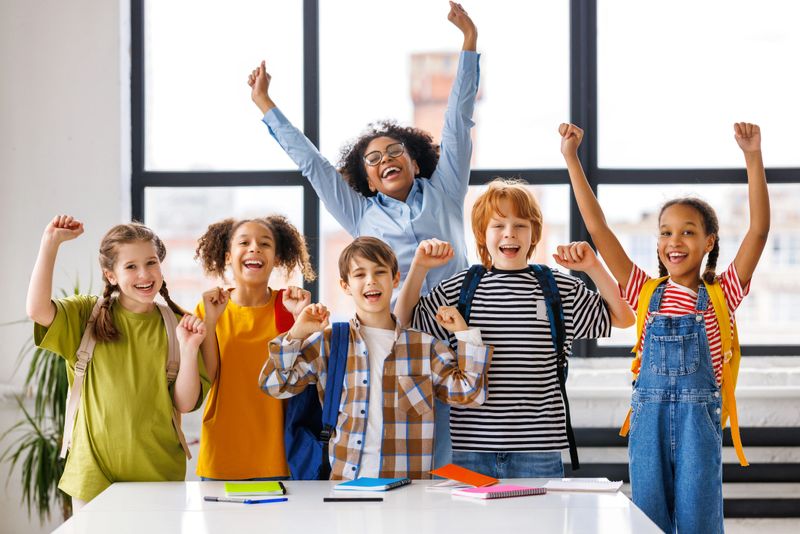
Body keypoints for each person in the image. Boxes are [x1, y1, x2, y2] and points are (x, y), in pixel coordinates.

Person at [248, 1, 480, 468]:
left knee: (464, 428)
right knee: (398, 435)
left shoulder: (446, 192)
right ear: (366, 179)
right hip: (394, 329)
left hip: (456, 322)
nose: (384, 160)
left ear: (416, 160)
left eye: (394, 151)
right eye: (372, 160)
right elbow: (312, 164)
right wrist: (266, 105)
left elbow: (457, 122)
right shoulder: (360, 213)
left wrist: (469, 44)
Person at [559, 121, 770, 533]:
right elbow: (598, 229)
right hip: (647, 426)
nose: (676, 241)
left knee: (698, 524)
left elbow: (759, 232)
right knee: (648, 524)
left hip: (699, 427)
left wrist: (752, 156)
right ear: (657, 243)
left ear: (709, 241)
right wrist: (571, 159)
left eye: (689, 232)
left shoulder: (723, 293)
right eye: (666, 233)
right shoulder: (642, 290)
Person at [394, 178, 634, 478]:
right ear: (482, 235)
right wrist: (418, 267)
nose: (510, 234)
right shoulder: (459, 289)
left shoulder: (558, 289)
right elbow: (403, 324)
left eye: (520, 225)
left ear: (534, 234)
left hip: (540, 448)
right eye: (498, 226)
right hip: (470, 448)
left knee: (538, 525)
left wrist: (593, 267)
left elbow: (624, 318)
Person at [259, 236, 492, 479]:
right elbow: (274, 385)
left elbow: (471, 394)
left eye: (379, 272)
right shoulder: (329, 343)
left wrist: (464, 334)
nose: (371, 281)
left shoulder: (424, 347)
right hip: (346, 488)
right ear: (345, 285)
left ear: (395, 279)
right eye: (359, 275)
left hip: (408, 492)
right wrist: (297, 332)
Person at [26, 216, 210, 511]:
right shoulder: (85, 315)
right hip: (92, 477)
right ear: (111, 275)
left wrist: (188, 350)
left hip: (158, 477)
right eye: (131, 266)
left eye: (151, 262)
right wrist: (50, 244)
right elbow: (37, 309)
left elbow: (185, 403)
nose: (144, 274)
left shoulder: (177, 325)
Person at [193, 216, 315, 481]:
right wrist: (211, 321)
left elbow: (304, 381)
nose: (254, 249)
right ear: (228, 256)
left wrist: (299, 321)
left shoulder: (290, 306)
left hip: (279, 457)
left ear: (278, 257)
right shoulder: (209, 308)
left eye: (265, 243)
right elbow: (209, 377)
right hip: (222, 454)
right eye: (244, 242)